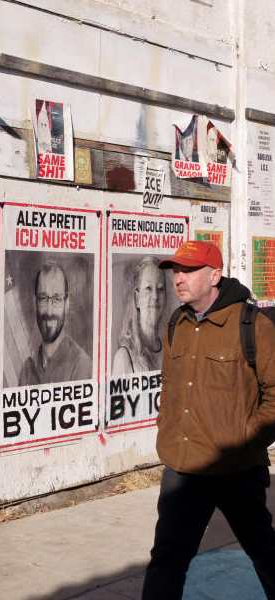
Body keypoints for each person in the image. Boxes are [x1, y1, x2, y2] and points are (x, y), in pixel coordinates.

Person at [142, 240, 275, 599]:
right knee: (166, 561)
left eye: (188, 270)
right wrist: (167, 431)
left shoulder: (253, 325)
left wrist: (244, 439)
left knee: (266, 554)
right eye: (176, 270)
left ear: (214, 275)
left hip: (237, 471)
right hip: (183, 471)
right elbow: (171, 390)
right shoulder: (176, 324)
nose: (178, 279)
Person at [17, 261, 91, 386]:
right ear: (35, 302)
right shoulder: (27, 371)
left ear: (66, 304)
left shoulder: (81, 366)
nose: (49, 311)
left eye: (56, 299)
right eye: (43, 298)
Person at [111, 257, 166, 376]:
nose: (155, 296)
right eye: (148, 289)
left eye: (160, 289)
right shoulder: (124, 358)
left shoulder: (169, 349)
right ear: (137, 298)